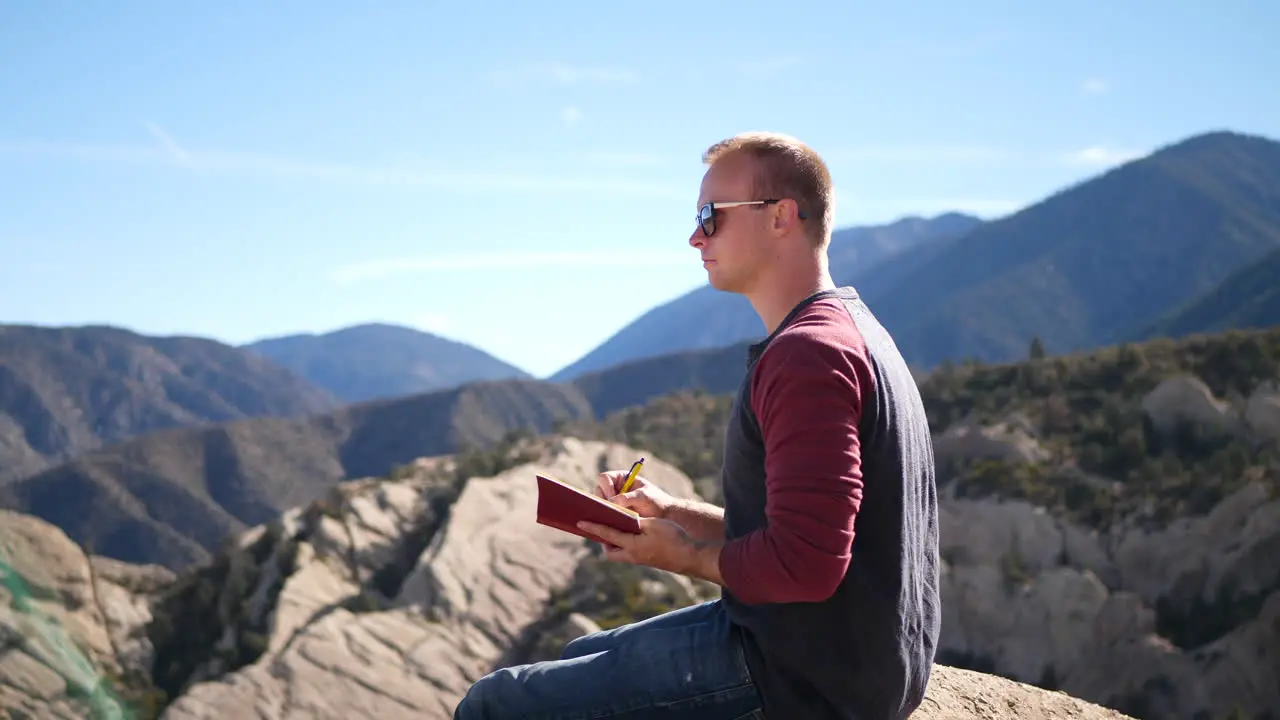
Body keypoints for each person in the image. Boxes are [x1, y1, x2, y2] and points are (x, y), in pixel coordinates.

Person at [453, 132, 940, 720]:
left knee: (494, 704)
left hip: (804, 677)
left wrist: (683, 556)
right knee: (580, 651)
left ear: (781, 217)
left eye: (711, 216)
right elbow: (803, 532)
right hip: (845, 653)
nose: (695, 236)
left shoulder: (808, 354)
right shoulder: (849, 328)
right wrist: (673, 513)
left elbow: (808, 563)